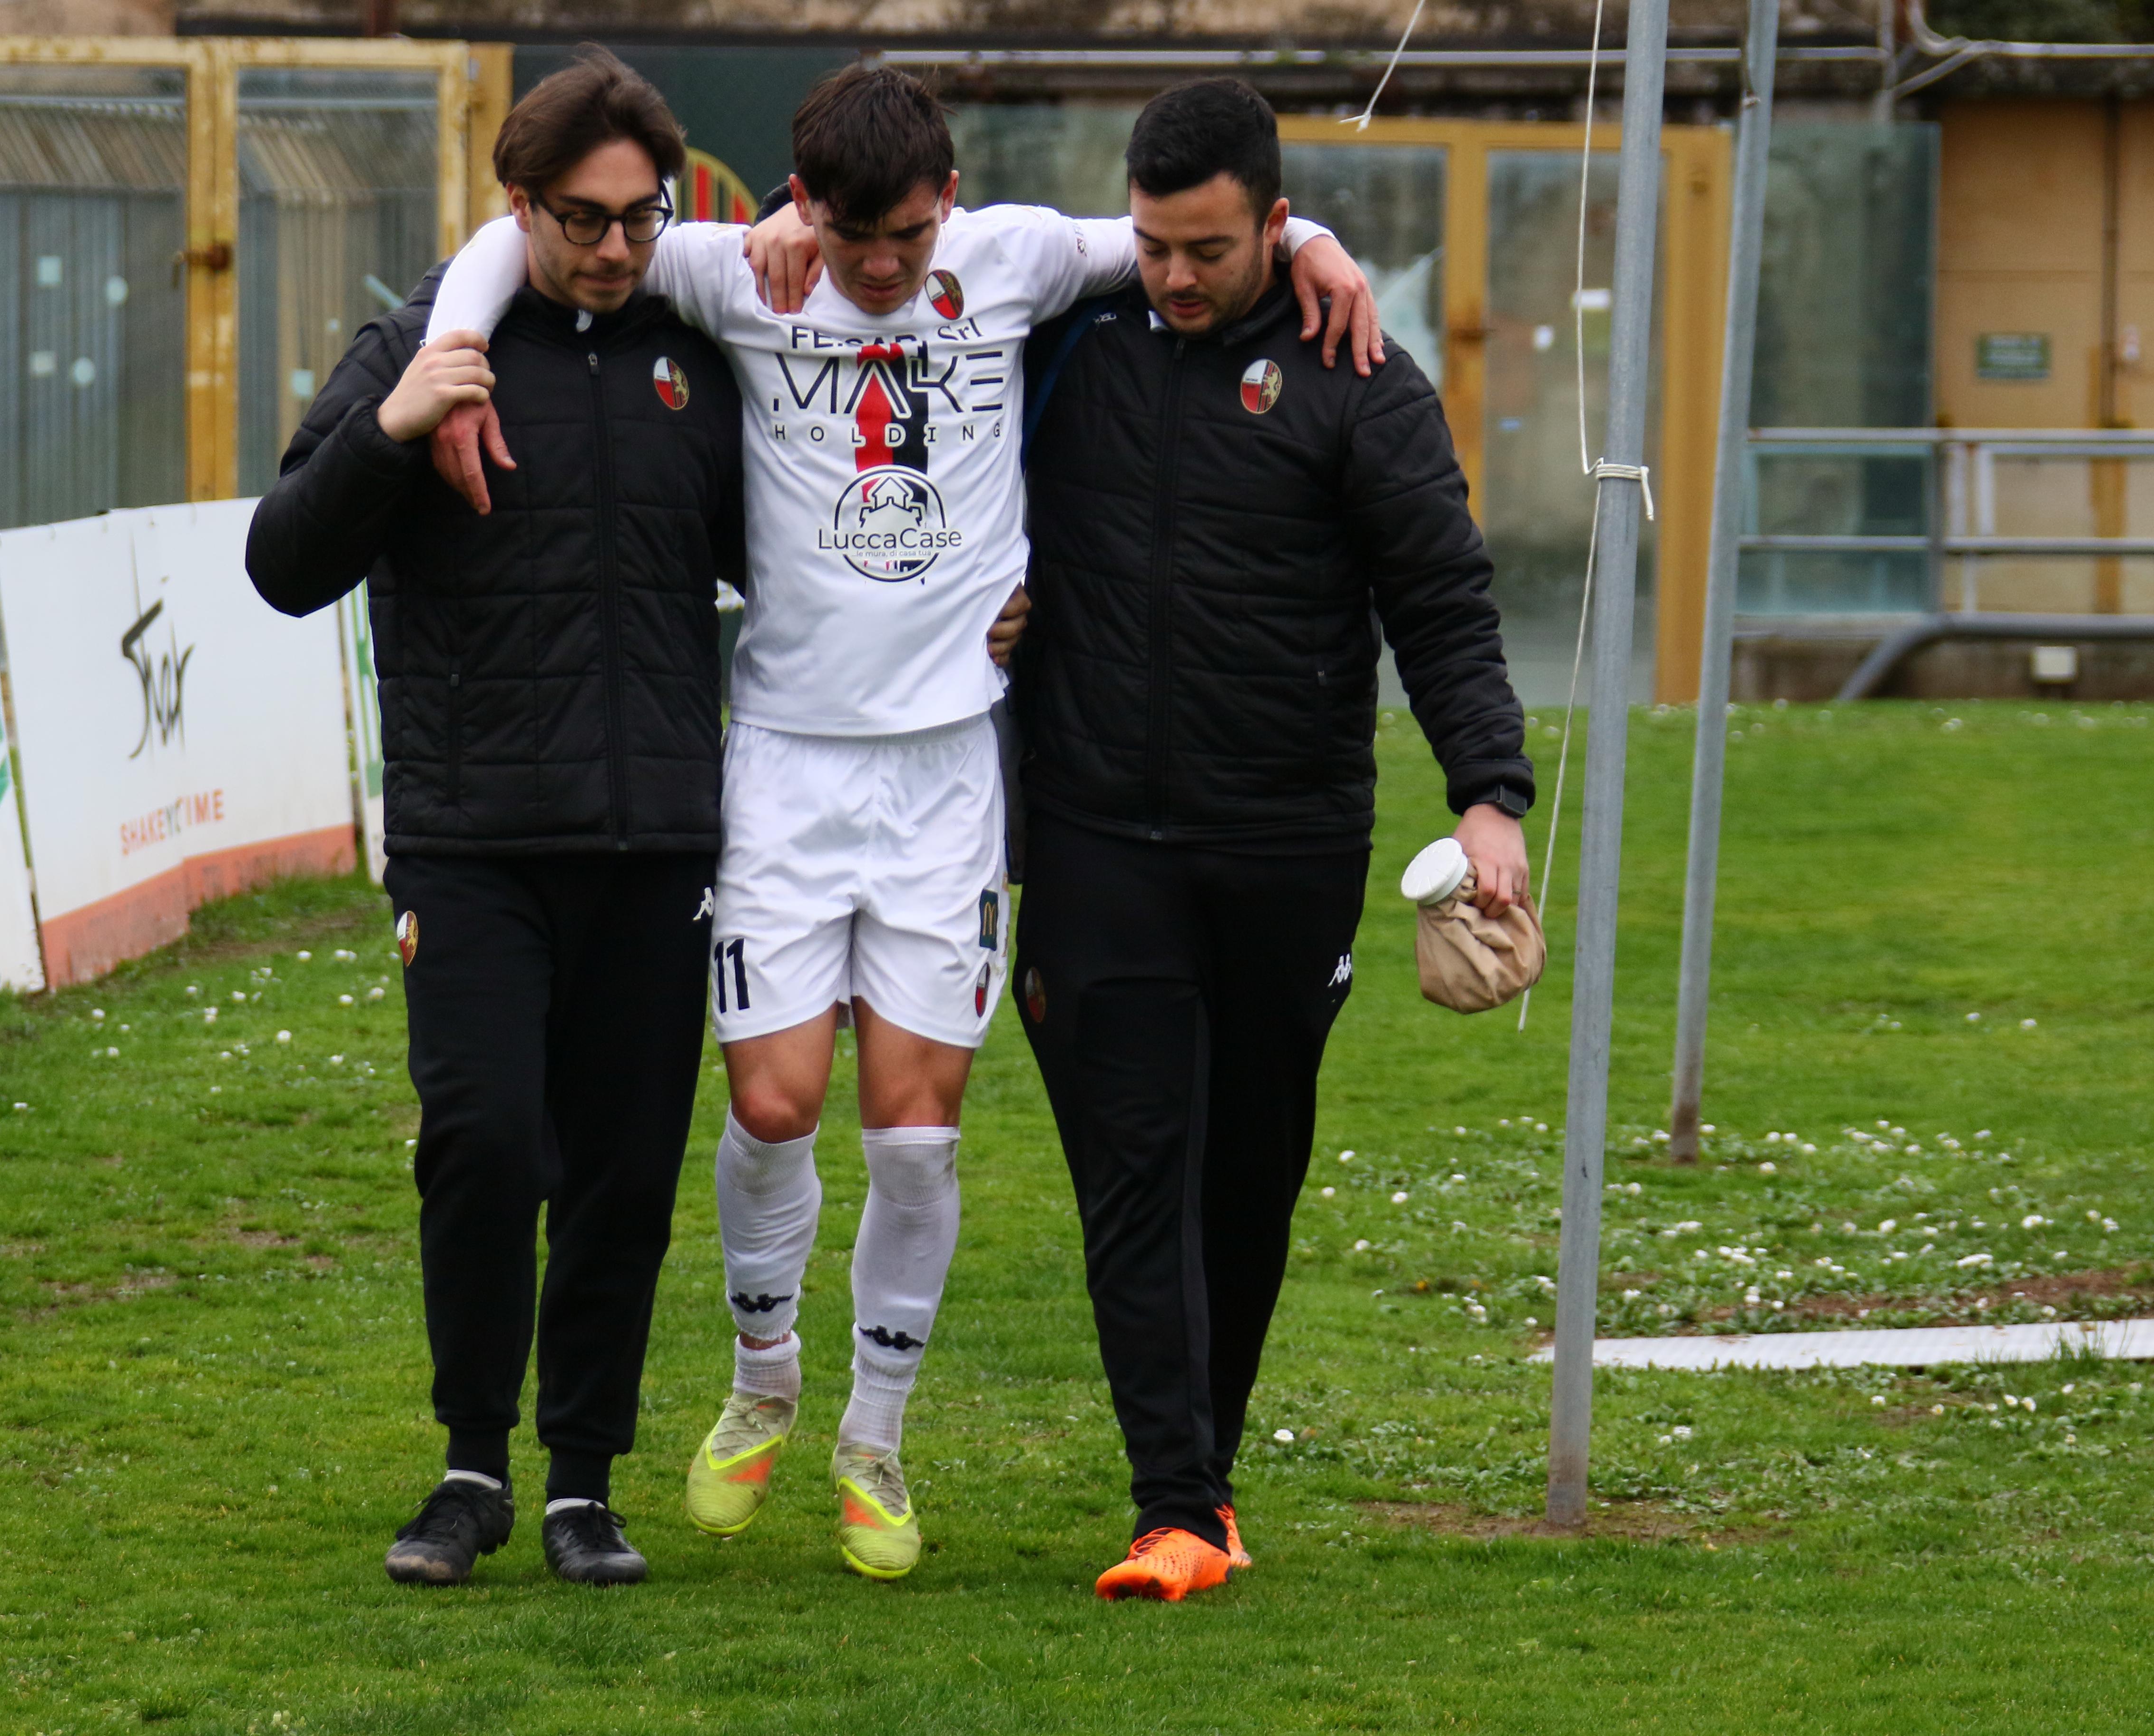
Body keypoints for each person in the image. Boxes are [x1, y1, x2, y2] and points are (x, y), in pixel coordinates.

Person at [423, 65, 1384, 1581]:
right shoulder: (736, 268)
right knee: (773, 1107)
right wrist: (457, 352)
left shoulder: (1012, 256)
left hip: (949, 776)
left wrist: (1315, 237)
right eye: (852, 236)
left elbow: (1176, 238)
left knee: (918, 1138)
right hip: (787, 764)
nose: (880, 268)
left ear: (950, 201)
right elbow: (503, 239)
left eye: (909, 237)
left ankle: (873, 1441)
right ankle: (763, 1381)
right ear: (804, 205)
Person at [1006, 78, 1535, 1602]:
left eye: (1211, 250)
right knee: (1135, 1170)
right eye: (1154, 246)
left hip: (1289, 841)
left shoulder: (1358, 371)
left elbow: (1441, 599)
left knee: (1245, 1178)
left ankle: (1207, 1479)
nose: (1176, 278)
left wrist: (1488, 795)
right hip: (1094, 833)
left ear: (1277, 224)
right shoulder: (1063, 340)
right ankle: (1172, 1504)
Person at [244, 50, 746, 1589]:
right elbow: (282, 563)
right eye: (584, 218)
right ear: (519, 205)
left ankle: (585, 1483)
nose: (614, 248)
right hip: (472, 842)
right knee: (482, 1141)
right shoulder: (421, 343)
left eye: (641, 218)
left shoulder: (698, 354)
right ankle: (470, 1466)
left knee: (624, 1174)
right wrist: (391, 429)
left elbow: (795, 558)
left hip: (658, 840)